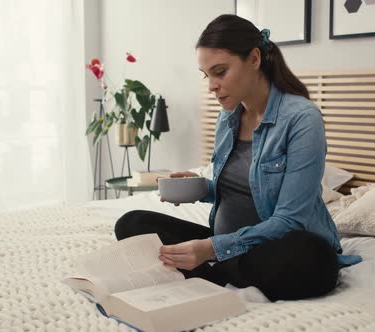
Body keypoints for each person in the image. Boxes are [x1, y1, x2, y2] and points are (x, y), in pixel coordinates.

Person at [114, 14, 361, 302]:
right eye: (207, 75)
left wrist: (210, 249)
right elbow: (239, 189)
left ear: (254, 59)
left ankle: (212, 269)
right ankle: (221, 268)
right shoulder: (228, 116)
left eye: (220, 72)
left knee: (310, 258)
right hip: (228, 244)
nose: (212, 86)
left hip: (279, 245)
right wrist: (200, 188)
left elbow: (290, 219)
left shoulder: (302, 119)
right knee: (131, 224)